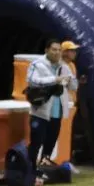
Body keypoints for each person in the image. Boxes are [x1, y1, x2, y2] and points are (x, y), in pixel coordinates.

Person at [26, 39, 69, 171]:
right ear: (46, 50)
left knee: (51, 141)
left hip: (57, 111)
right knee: (36, 142)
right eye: (54, 49)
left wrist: (75, 81)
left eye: (59, 50)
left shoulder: (64, 66)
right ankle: (30, 169)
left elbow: (72, 85)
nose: (57, 52)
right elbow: (32, 80)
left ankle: (45, 166)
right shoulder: (37, 64)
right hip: (40, 111)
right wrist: (54, 79)